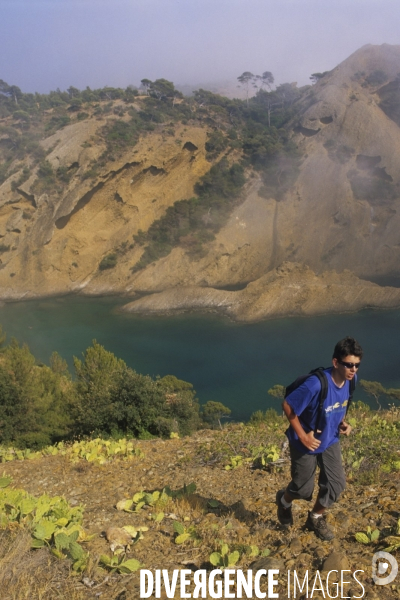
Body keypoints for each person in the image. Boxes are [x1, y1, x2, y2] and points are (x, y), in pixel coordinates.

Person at [276, 336, 363, 541]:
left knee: (336, 484)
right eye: (349, 365)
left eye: (357, 366)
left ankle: (315, 517)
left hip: (330, 439)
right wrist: (303, 436)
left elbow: (339, 404)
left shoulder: (351, 382)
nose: (353, 370)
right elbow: (288, 406)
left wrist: (343, 422)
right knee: (302, 488)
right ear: (335, 362)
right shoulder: (316, 384)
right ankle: (284, 500)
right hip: (305, 441)